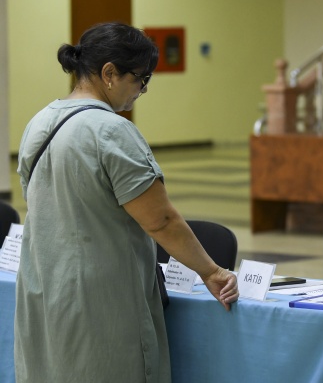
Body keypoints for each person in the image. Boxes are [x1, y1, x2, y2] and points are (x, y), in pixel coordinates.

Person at [15, 22, 239, 382]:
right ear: (109, 73)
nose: (143, 90)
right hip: (99, 301)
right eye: (140, 78)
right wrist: (211, 272)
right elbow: (160, 220)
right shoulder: (111, 130)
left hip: (44, 288)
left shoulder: (40, 122)